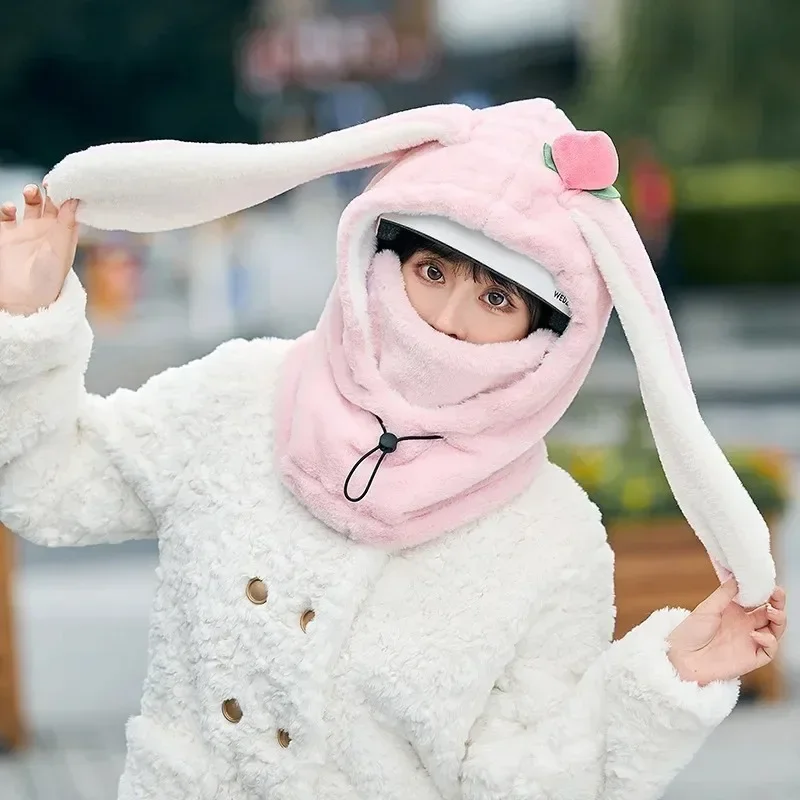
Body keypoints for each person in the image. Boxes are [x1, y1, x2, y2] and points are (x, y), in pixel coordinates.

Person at [0, 99, 787, 800]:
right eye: (432, 267)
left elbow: (522, 782)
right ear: (378, 253)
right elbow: (50, 486)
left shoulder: (553, 539)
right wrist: (24, 322)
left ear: (553, 334)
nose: (446, 315)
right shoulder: (242, 395)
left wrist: (663, 682)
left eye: (496, 297)